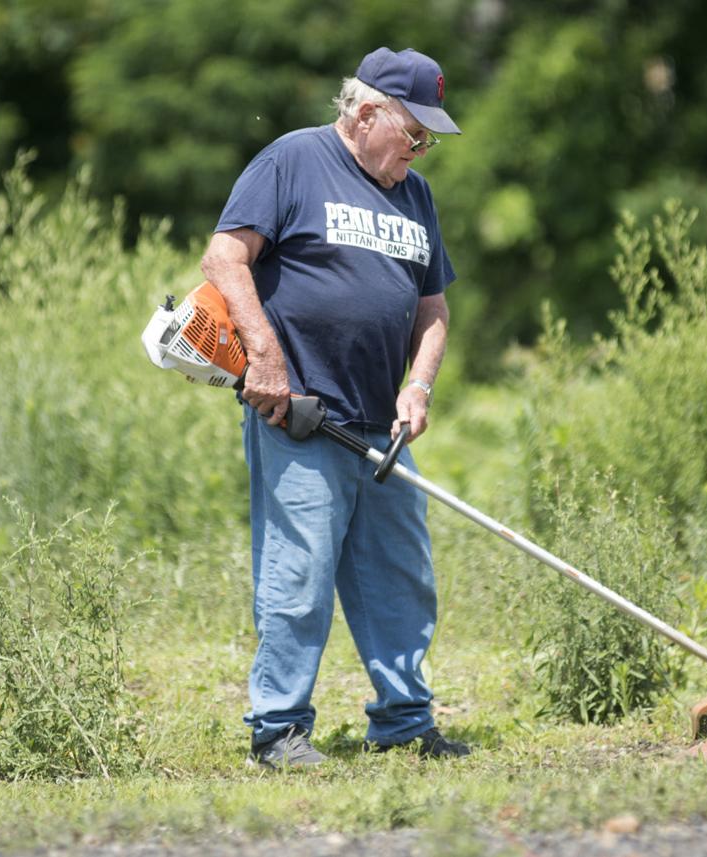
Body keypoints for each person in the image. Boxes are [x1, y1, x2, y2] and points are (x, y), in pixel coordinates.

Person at [199, 47, 469, 769]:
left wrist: (419, 386)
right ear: (368, 111)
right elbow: (225, 259)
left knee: (402, 579)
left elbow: (433, 307)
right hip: (303, 416)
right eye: (415, 134)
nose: (419, 151)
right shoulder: (294, 161)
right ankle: (279, 730)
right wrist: (266, 357)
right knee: (299, 576)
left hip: (382, 428)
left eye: (428, 141)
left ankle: (406, 721)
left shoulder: (415, 194)